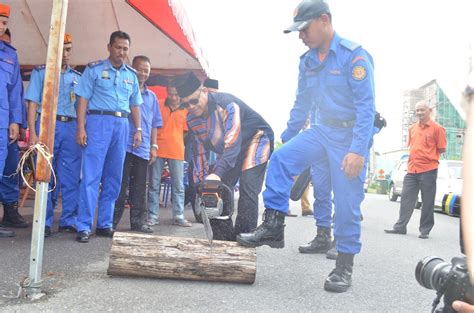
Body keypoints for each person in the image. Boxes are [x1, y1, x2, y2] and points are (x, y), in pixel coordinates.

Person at [236, 0, 376, 293]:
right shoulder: (308, 61)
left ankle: (344, 266)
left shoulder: (354, 57)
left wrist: (357, 151)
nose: (301, 36)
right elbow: (302, 103)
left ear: (324, 20)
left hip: (350, 138)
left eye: (305, 29)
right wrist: (288, 137)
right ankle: (274, 226)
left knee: (348, 202)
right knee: (281, 158)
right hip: (321, 130)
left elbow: (366, 108)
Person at [177, 72, 274, 240]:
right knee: (219, 188)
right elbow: (199, 154)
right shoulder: (192, 119)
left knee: (248, 186)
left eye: (194, 100)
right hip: (232, 149)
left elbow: (232, 144)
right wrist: (202, 184)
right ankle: (224, 238)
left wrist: (216, 174)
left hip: (257, 138)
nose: (191, 107)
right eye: (186, 104)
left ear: (205, 92)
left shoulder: (226, 105)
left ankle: (245, 236)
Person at [75, 31, 143, 243]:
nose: (121, 52)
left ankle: (105, 224)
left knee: (114, 177)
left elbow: (134, 104)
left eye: (125, 48)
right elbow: (83, 100)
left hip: (122, 125)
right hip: (98, 123)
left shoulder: (131, 75)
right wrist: (81, 128)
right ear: (109, 47)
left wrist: (138, 129)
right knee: (91, 176)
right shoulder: (94, 70)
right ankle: (84, 226)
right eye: (118, 47)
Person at [25, 33, 82, 237]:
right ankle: (44, 221)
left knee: (70, 175)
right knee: (45, 175)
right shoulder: (41, 73)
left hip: (70, 126)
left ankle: (68, 220)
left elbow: (82, 107)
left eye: (69, 49)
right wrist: (32, 133)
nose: (67, 54)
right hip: (47, 125)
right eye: (64, 49)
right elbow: (32, 103)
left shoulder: (77, 77)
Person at [113, 55, 162, 233]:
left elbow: (156, 123)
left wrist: (154, 147)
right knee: (120, 184)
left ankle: (137, 222)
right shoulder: (124, 90)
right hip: (124, 144)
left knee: (140, 187)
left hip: (143, 148)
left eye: (146, 70)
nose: (142, 73)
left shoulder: (153, 97)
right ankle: (111, 223)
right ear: (132, 69)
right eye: (140, 69)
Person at [385, 100, 446, 239]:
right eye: (417, 110)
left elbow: (441, 148)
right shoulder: (412, 128)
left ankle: (425, 230)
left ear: (429, 111)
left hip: (429, 169)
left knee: (427, 201)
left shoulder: (437, 128)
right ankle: (400, 227)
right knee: (406, 199)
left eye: (422, 110)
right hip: (412, 170)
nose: (419, 112)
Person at [147, 79, 191, 227]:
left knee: (178, 185)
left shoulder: (186, 110)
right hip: (157, 148)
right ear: (167, 92)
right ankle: (152, 216)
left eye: (176, 94)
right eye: (171, 94)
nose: (173, 97)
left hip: (177, 150)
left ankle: (178, 216)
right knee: (154, 184)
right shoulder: (158, 104)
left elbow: (185, 132)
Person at [0, 5, 23, 238]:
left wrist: (16, 120)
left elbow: (15, 91)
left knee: (6, 169)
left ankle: (8, 212)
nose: (1, 26)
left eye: (4, 23)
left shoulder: (9, 54)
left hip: (3, 119)